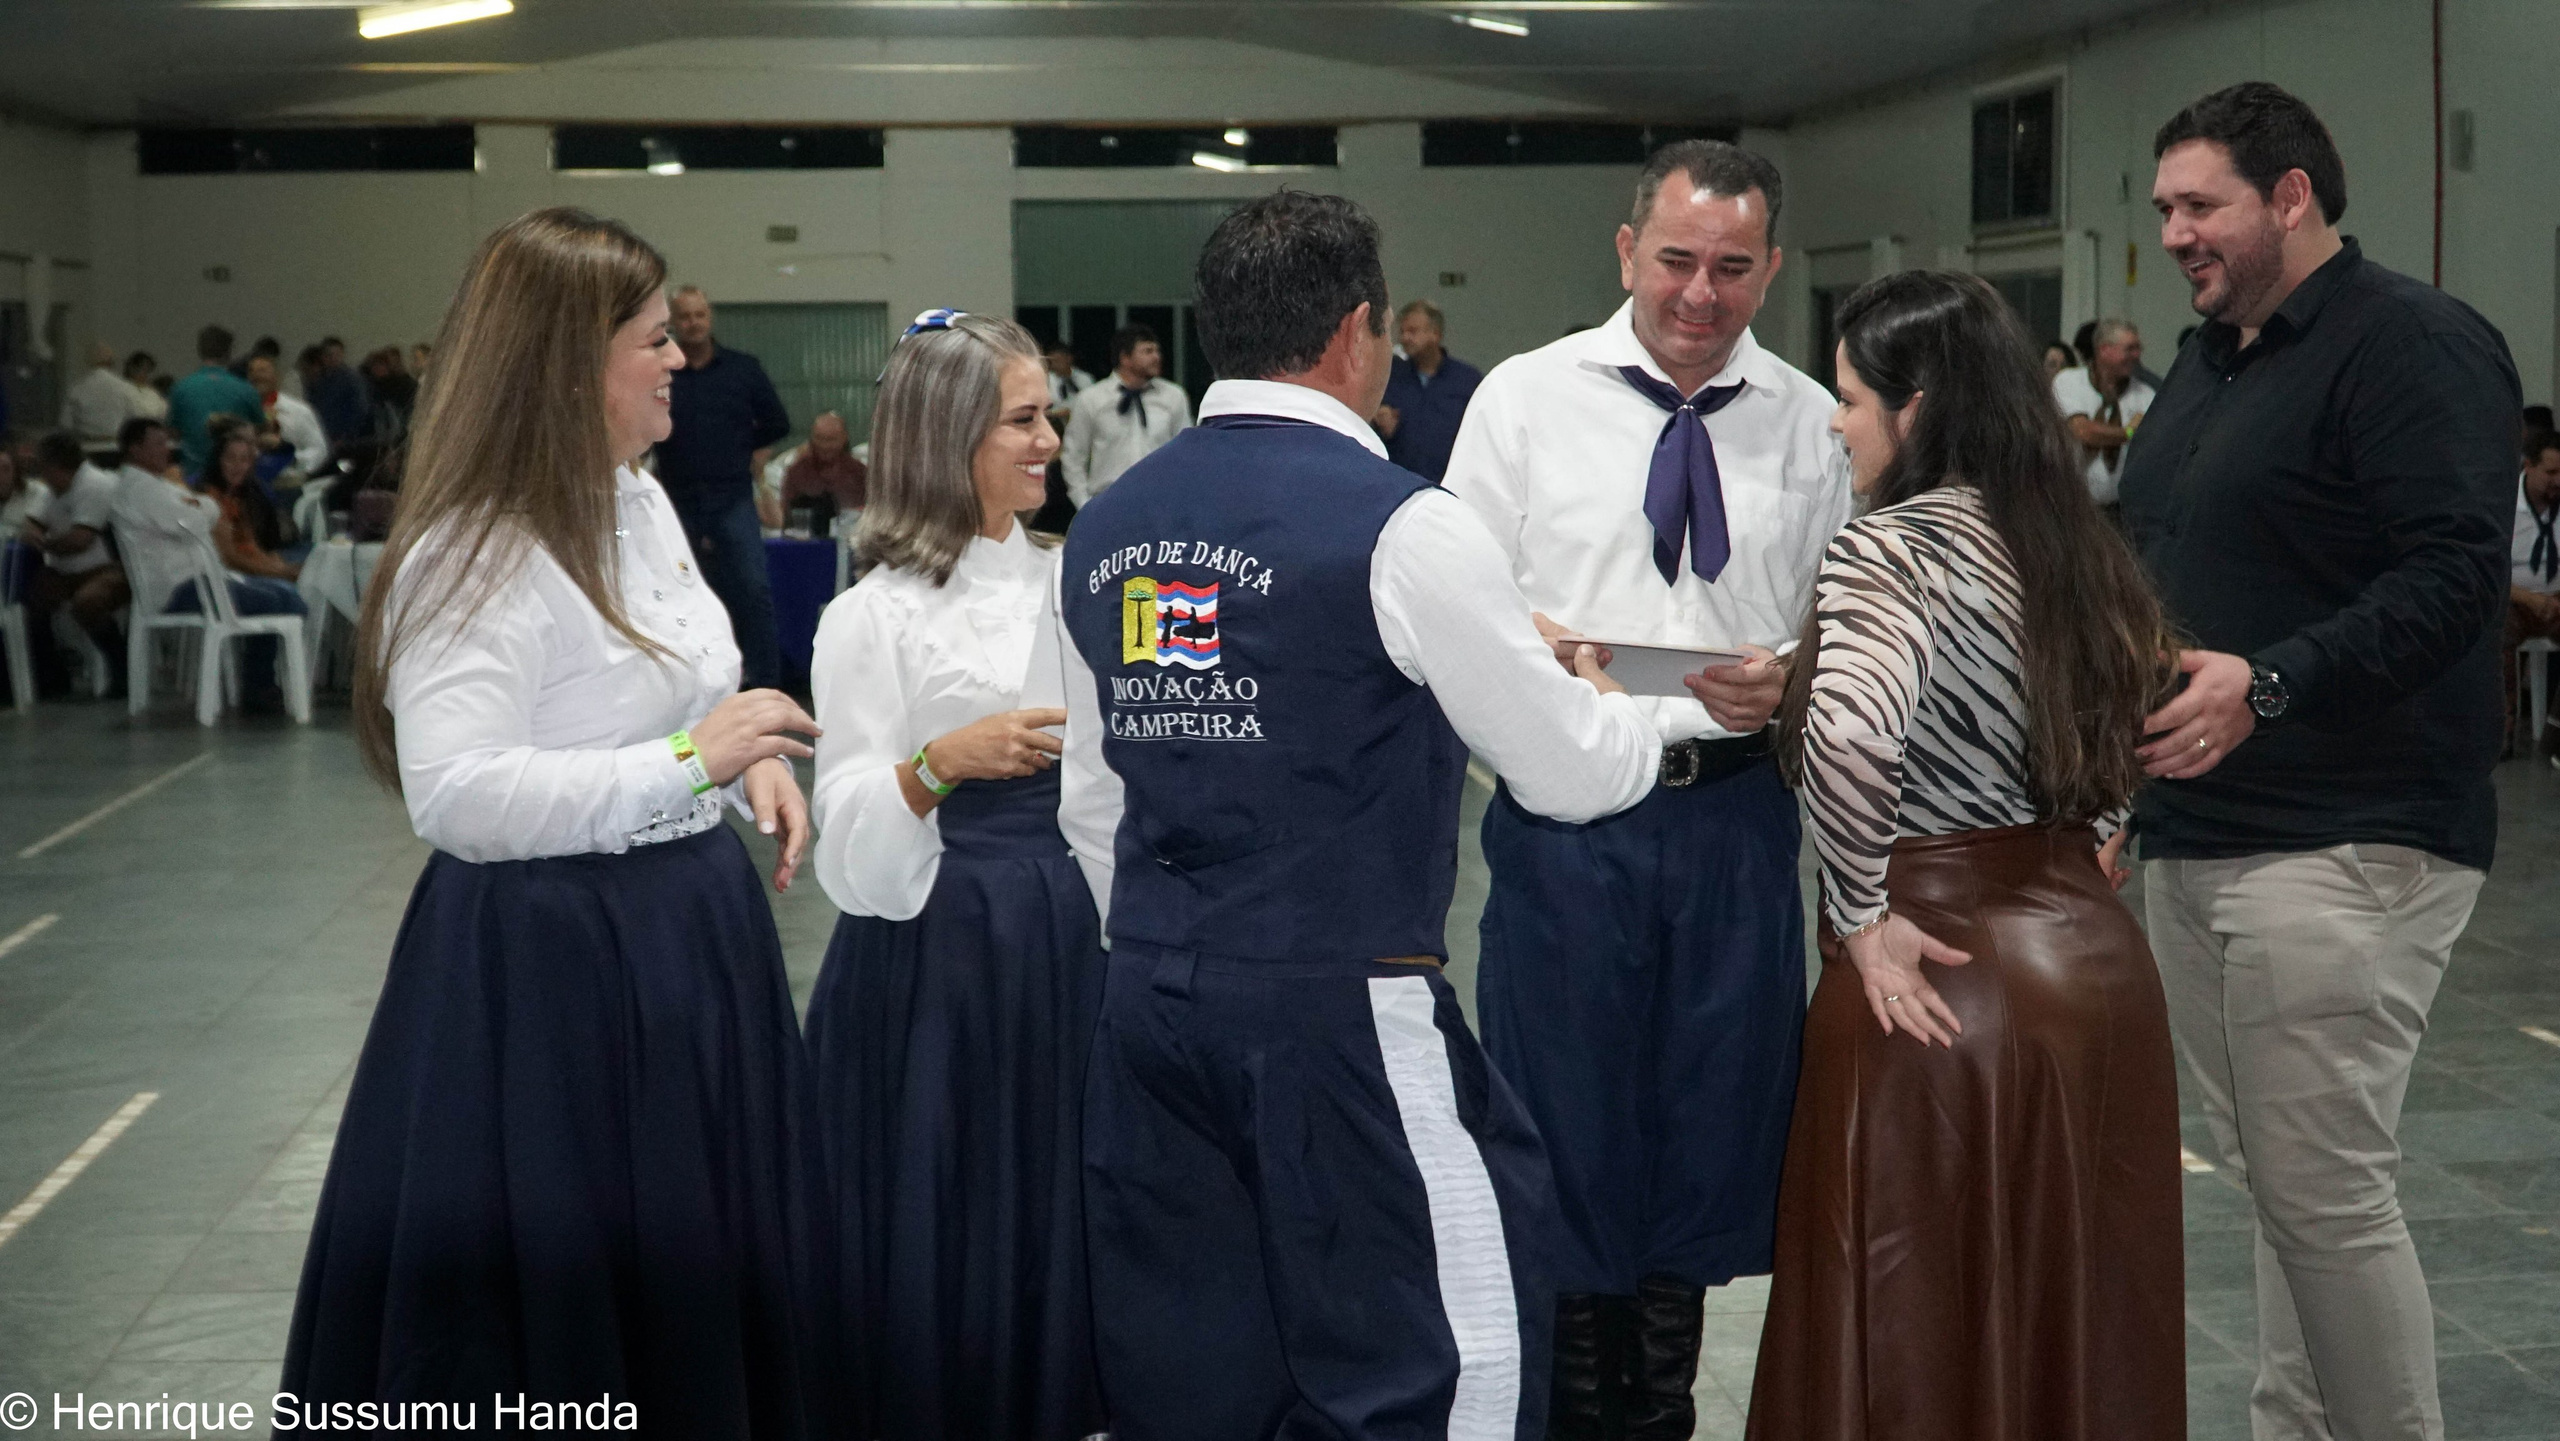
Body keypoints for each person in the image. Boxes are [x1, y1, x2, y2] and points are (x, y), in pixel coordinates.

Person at [1051, 189, 1660, 1441]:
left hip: (1149, 999)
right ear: (1356, 332)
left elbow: (1093, 799)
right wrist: (1603, 699)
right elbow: (1568, 773)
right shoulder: (1403, 523)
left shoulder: (1105, 527)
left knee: (1197, 1371)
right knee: (1438, 1367)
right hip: (1337, 1003)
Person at [280, 207, 839, 1436]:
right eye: (652, 337)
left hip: (685, 935)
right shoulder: (473, 549)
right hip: (552, 967)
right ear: (566, 364)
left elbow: (690, 684)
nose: (680, 358)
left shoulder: (634, 501)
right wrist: (691, 760)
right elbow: (461, 793)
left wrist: (744, 762)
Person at [2124, 82, 2520, 1441]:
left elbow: (2456, 577)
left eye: (2200, 205)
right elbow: (2165, 574)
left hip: (2351, 833)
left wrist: (2277, 680)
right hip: (2201, 826)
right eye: (2166, 206)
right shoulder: (2211, 360)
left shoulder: (2412, 342)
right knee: (2282, 1180)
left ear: (2290, 197)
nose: (2174, 231)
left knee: (2325, 1186)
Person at [1441, 137, 1848, 1438]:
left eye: (1733, 269)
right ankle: (1572, 1402)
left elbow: (1847, 625)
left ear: (1771, 270)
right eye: (1676, 260)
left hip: (1733, 817)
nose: (1700, 293)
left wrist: (1790, 686)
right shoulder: (1523, 398)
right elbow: (1448, 609)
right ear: (1627, 252)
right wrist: (1538, 652)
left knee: (1710, 1118)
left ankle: (1657, 1400)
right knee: (1565, 1118)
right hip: (1569, 819)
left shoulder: (1810, 422)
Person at [1743, 269, 2184, 1440]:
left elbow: (1849, 731)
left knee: (1913, 1331)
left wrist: (1860, 917)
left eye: (1848, 398)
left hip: (1940, 979)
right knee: (2078, 1320)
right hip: (2094, 971)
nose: (1836, 423)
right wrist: (2092, 831)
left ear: (1917, 404)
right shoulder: (2073, 540)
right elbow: (2143, 702)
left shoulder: (1890, 550)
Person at [804, 310, 1105, 1441]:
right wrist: (937, 766)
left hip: (1072, 947)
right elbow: (847, 849)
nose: (1048, 441)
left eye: (1047, 418)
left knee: (1063, 1203)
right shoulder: (868, 618)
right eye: (1022, 421)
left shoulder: (1085, 582)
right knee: (951, 1212)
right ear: (947, 437)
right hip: (937, 960)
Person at [117, 424, 309, 710]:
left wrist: (200, 507)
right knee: (282, 600)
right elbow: (191, 523)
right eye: (158, 444)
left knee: (284, 595)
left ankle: (261, 684)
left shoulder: (156, 486)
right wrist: (208, 507)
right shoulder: (140, 488)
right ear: (135, 448)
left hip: (199, 580)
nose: (166, 450)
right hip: (181, 587)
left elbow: (196, 514)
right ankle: (258, 686)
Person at [658, 284, 792, 690]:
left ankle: (766, 683)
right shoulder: (665, 371)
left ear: (709, 318)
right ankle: (688, 685)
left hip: (731, 495)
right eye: (684, 317)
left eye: (699, 315)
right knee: (674, 591)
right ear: (673, 322)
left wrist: (748, 452)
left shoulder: (742, 369)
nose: (692, 323)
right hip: (676, 497)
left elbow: (777, 422)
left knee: (752, 588)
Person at [25, 426, 131, 694]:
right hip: (65, 571)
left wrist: (46, 543)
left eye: (42, 467)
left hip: (110, 570)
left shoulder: (96, 485)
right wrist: (38, 536)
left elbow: (80, 540)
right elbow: (32, 523)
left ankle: (123, 667)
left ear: (56, 466)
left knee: (88, 603)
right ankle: (51, 674)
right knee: (31, 598)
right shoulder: (52, 490)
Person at [1059, 323, 1188, 508]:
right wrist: (1084, 505)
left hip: (1161, 503)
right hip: (1108, 502)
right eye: (1147, 351)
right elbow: (1073, 457)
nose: (1156, 357)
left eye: (1157, 351)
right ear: (1125, 358)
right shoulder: (1091, 399)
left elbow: (1183, 453)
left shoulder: (1173, 397)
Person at [1371, 299, 1482, 482]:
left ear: (1435, 334)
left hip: (1453, 487)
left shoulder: (1467, 380)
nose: (1405, 337)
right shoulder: (1389, 377)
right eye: (1402, 331)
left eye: (1413, 331)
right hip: (1401, 487)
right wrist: (1380, 422)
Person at [2052, 318, 2153, 516]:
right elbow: (2082, 431)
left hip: (2121, 513)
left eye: (2138, 348)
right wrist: (2130, 432)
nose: (2137, 355)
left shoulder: (2146, 396)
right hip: (2072, 510)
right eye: (2130, 348)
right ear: (2105, 350)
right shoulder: (2069, 382)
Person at [2511, 431, 2560, 756]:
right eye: (2552, 472)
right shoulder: (2501, 504)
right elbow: (2488, 571)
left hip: (2557, 601)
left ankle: (2556, 737)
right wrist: (2528, 599)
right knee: (2488, 631)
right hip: (2513, 600)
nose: (2559, 481)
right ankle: (2501, 730)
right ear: (2528, 466)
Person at [167, 325, 269, 473]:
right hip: (234, 475)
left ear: (200, 350)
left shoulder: (181, 388)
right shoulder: (247, 390)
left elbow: (173, 432)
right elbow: (260, 430)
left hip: (191, 473)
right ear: (229, 352)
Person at [247, 353, 330, 472]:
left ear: (276, 376)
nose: (256, 376)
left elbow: (320, 451)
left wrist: (289, 457)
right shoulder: (241, 410)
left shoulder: (299, 411)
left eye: (262, 370)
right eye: (252, 371)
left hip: (287, 482)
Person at [779, 410, 867, 516]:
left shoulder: (860, 472)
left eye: (831, 440)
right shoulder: (797, 472)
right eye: (819, 438)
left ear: (844, 438)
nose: (824, 446)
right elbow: (787, 514)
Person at [61, 343, 137, 455]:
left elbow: (65, 423)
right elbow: (134, 417)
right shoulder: (125, 387)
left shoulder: (78, 388)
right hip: (116, 446)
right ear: (111, 362)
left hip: (87, 447)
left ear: (88, 362)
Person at [307, 337, 369, 445]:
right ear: (322, 356)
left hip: (343, 438)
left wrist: (346, 436)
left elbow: (360, 409)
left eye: (336, 354)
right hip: (322, 433)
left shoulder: (352, 379)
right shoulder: (319, 379)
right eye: (328, 355)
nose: (332, 358)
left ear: (342, 355)